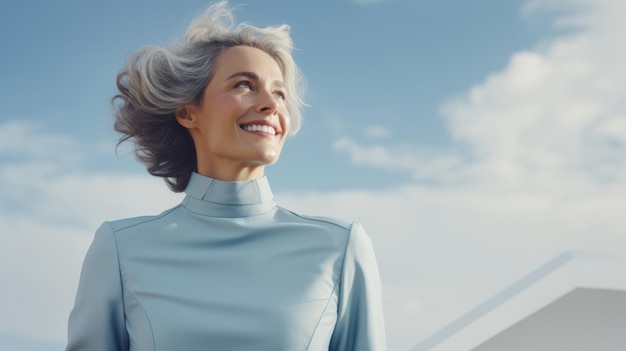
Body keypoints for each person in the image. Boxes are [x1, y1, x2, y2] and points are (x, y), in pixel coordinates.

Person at [66, 1, 386, 350]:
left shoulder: (341, 247)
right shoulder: (119, 248)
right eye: (244, 85)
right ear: (189, 112)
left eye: (279, 92)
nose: (272, 104)